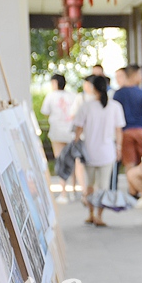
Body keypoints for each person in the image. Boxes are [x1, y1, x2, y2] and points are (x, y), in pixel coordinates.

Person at [74, 75, 125, 227]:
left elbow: (78, 129)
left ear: (93, 88)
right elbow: (119, 131)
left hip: (89, 151)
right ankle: (99, 216)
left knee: (89, 185)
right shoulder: (115, 106)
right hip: (107, 151)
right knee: (103, 186)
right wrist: (119, 148)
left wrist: (75, 146)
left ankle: (90, 214)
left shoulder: (86, 106)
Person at [40, 74, 77, 204]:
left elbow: (45, 111)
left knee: (60, 160)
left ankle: (63, 193)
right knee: (72, 160)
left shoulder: (51, 96)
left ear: (55, 83)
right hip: (71, 132)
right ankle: (73, 190)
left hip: (57, 132)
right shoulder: (72, 95)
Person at [113, 64, 142, 170]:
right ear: (134, 75)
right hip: (141, 131)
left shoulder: (117, 94)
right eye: (140, 74)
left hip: (125, 132)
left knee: (129, 165)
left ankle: (132, 186)